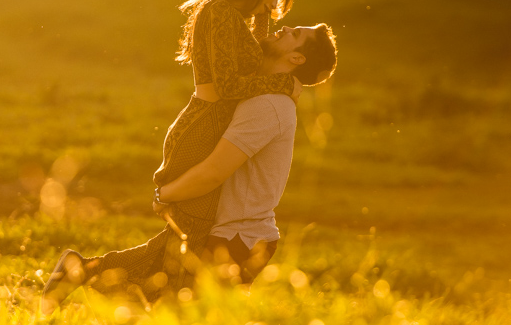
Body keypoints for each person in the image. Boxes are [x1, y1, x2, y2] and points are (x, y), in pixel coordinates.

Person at [43, 23, 337, 307]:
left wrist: (165, 195)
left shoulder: (267, 105)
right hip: (219, 229)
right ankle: (76, 273)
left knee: (182, 311)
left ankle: (76, 275)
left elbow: (214, 172)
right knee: (150, 283)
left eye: (294, 34)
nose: (284, 28)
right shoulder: (262, 92)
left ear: (297, 58)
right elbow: (260, 41)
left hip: (237, 237)